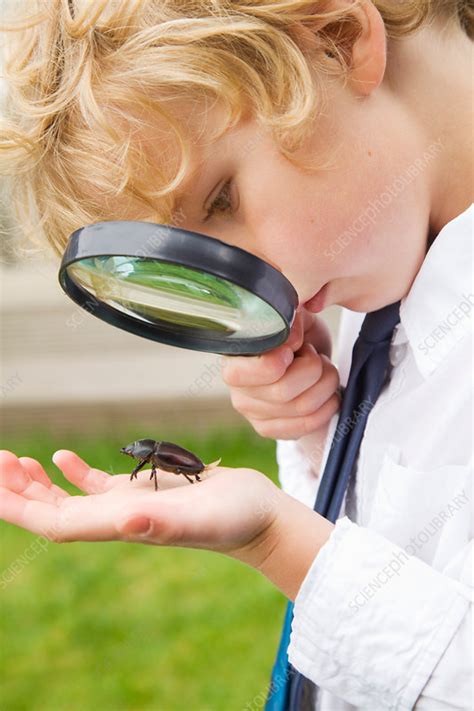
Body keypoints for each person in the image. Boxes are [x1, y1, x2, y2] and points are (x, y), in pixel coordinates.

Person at [0, 1, 472, 708]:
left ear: (339, 42)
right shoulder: (381, 283)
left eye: (222, 200)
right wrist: (322, 428)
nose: (250, 290)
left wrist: (278, 541)